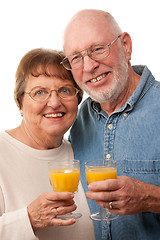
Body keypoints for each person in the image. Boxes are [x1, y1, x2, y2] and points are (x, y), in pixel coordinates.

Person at [62, 9, 160, 240]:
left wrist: (150, 197)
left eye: (97, 49)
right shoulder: (77, 117)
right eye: (76, 57)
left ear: (126, 46)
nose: (89, 66)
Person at [0, 48, 96, 240]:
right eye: (40, 92)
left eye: (65, 90)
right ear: (20, 102)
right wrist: (29, 219)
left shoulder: (82, 151)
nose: (54, 102)